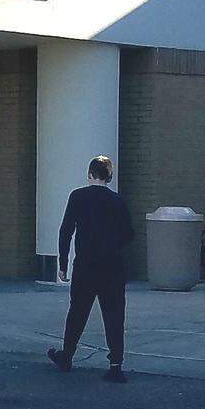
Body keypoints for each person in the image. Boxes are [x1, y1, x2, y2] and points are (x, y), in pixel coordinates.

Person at [47, 156, 134, 383]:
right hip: (113, 266)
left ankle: (66, 355)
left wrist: (63, 264)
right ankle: (116, 365)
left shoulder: (78, 197)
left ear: (89, 175)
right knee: (114, 315)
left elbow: (66, 231)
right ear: (110, 176)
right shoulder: (118, 201)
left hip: (86, 265)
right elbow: (129, 234)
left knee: (77, 311)